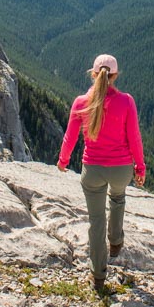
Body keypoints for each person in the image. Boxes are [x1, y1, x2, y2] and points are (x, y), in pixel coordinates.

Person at [58, 53, 146, 293]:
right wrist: (140, 167)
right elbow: (134, 138)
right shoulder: (126, 102)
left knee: (96, 220)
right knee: (118, 198)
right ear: (115, 76)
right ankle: (116, 241)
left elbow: (70, 137)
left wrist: (63, 161)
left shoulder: (80, 102)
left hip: (93, 170)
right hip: (121, 170)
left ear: (93, 74)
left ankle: (98, 276)